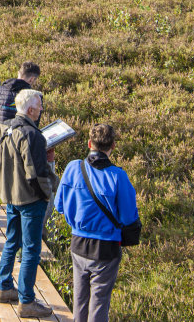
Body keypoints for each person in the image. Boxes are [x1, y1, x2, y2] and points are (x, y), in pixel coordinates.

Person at [55, 123, 139, 322]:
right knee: (99, 303)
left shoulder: (73, 167)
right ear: (113, 146)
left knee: (80, 300)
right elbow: (128, 217)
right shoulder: (118, 176)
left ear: (89, 143)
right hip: (106, 248)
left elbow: (59, 205)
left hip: (78, 243)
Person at [0, 89, 54, 319]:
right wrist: (47, 193)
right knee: (32, 250)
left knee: (11, 240)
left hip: (10, 195)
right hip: (30, 199)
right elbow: (37, 173)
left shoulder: (2, 128)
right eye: (40, 106)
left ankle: (5, 288)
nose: (42, 109)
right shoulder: (34, 136)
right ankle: (27, 301)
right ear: (31, 110)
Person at [0, 62, 41, 247]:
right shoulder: (32, 98)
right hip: (20, 154)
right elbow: (33, 127)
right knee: (20, 199)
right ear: (32, 79)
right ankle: (19, 248)